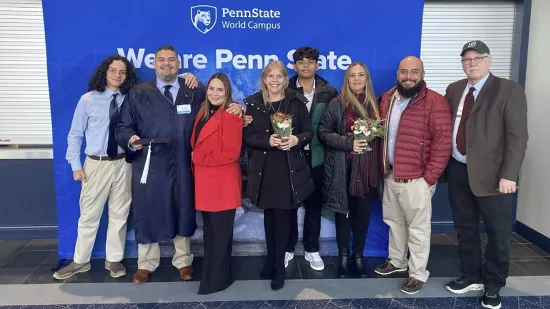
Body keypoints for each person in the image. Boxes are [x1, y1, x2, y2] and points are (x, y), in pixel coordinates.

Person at [116, 45, 242, 283]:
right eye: (161, 60)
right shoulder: (138, 92)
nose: (166, 64)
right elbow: (123, 126)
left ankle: (183, 260)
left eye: (171, 60)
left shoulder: (193, 89)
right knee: (149, 208)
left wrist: (239, 108)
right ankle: (147, 263)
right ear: (153, 64)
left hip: (186, 162)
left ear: (179, 64)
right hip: (151, 164)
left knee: (182, 207)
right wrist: (130, 139)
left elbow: (219, 106)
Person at [444, 41, 528, 309]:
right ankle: (471, 275)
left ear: (489, 60)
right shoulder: (454, 89)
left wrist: (509, 175)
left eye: (478, 58)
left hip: (495, 177)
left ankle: (493, 284)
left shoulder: (508, 90)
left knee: (498, 233)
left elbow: (517, 138)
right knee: (465, 229)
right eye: (467, 59)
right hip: (458, 171)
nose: (472, 63)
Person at [54, 55, 138, 280]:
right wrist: (75, 164)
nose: (117, 75)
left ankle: (114, 260)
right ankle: (80, 261)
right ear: (105, 72)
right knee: (89, 215)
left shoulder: (131, 99)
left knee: (119, 214)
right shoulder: (88, 100)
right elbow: (75, 134)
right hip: (95, 165)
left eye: (122, 72)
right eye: (113, 70)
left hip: (123, 163)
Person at [373, 56, 452, 294]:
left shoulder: (435, 102)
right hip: (390, 175)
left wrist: (429, 178)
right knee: (394, 222)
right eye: (404, 72)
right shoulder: (387, 99)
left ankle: (418, 273)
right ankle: (397, 262)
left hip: (417, 179)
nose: (408, 77)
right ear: (397, 74)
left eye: (414, 72)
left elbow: (443, 143)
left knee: (418, 229)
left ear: (422, 74)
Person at [243, 60, 314, 291]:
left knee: (283, 220)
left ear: (285, 79)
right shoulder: (253, 104)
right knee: (269, 219)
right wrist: (267, 141)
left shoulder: (296, 102)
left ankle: (279, 270)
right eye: (270, 76)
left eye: (279, 76)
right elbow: (247, 138)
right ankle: (270, 261)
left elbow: (309, 132)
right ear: (264, 79)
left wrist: (296, 140)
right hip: (264, 170)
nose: (274, 81)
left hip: (288, 170)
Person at [318, 61, 382, 279]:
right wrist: (348, 143)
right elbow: (323, 132)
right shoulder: (338, 103)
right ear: (347, 79)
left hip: (367, 171)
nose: (356, 79)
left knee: (362, 215)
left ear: (367, 79)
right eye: (352, 75)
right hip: (343, 169)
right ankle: (343, 257)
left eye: (361, 75)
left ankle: (358, 256)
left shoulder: (377, 104)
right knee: (343, 215)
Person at [282, 46, 338, 271]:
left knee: (314, 205)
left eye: (310, 61)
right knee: (289, 206)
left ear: (317, 65)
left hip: (317, 157)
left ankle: (312, 250)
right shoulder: (284, 89)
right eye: (301, 62)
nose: (305, 65)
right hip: (289, 156)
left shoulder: (328, 91)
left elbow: (334, 122)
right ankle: (287, 248)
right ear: (294, 66)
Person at [191, 73, 243, 295]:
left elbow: (232, 153)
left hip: (222, 185)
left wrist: (197, 158)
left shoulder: (232, 115)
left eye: (220, 90)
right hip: (206, 184)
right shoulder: (203, 111)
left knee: (220, 237)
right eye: (211, 88)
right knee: (211, 236)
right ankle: (214, 277)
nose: (214, 93)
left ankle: (217, 281)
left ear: (227, 92)